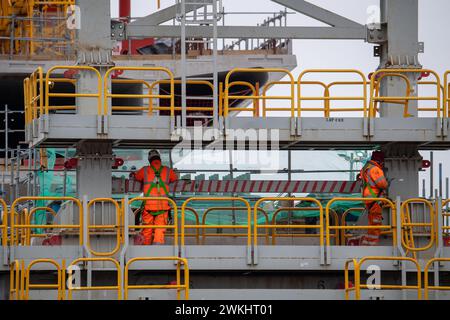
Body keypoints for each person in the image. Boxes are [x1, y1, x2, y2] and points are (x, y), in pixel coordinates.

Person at [131, 150, 178, 245]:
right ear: (159, 159)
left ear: (149, 160)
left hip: (148, 207)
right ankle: (157, 251)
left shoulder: (144, 170)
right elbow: (175, 178)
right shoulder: (168, 171)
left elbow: (136, 177)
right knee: (160, 230)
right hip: (163, 207)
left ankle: (146, 252)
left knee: (147, 230)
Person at [358, 151, 389, 246]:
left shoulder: (366, 168)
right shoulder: (375, 169)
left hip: (369, 199)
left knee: (372, 223)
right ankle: (372, 245)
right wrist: (387, 183)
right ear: (380, 161)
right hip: (374, 199)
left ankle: (367, 243)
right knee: (375, 224)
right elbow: (383, 184)